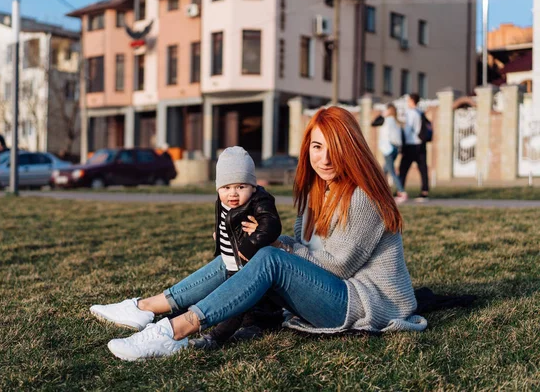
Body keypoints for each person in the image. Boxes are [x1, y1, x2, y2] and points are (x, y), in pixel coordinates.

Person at [90, 107, 426, 361]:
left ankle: (173, 330)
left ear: (350, 148)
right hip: (330, 291)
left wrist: (278, 246)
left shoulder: (363, 196)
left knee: (267, 256)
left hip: (359, 302)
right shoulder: (318, 193)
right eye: (317, 147)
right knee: (243, 250)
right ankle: (146, 307)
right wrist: (274, 243)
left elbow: (338, 267)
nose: (324, 158)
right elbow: (305, 252)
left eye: (334, 148)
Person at [188, 146, 283, 349]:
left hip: (249, 264)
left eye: (241, 187)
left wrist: (249, 245)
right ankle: (255, 324)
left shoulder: (259, 201)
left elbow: (271, 225)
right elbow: (223, 221)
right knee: (239, 299)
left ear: (253, 186)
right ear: (218, 188)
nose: (233, 193)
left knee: (237, 302)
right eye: (226, 187)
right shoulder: (223, 202)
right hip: (232, 263)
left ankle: (216, 337)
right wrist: (219, 236)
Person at [398, 93, 429, 202]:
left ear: (412, 101)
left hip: (411, 143)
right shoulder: (420, 112)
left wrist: (402, 141)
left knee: (403, 168)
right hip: (421, 144)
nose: (407, 103)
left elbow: (408, 128)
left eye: (408, 100)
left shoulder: (410, 113)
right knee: (423, 168)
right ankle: (425, 191)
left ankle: (400, 190)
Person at [379, 104, 408, 203]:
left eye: (386, 110)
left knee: (391, 171)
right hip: (395, 148)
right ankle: (382, 192)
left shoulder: (387, 121)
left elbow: (384, 134)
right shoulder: (396, 122)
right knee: (384, 171)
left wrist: (384, 147)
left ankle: (402, 192)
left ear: (389, 111)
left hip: (388, 148)